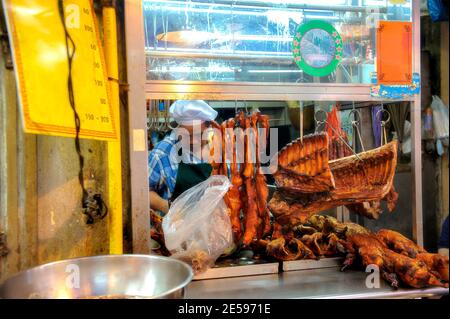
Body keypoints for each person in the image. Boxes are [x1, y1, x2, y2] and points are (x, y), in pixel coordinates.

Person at [148, 100, 218, 215]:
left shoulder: (217, 148)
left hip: (211, 227)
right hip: (177, 228)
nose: (193, 141)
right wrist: (169, 208)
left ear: (209, 128)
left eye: (199, 135)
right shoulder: (162, 153)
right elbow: (145, 191)